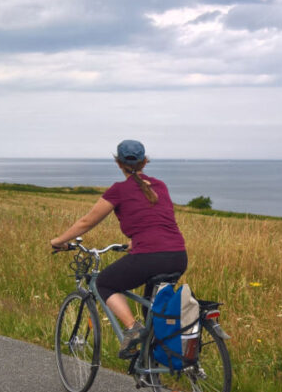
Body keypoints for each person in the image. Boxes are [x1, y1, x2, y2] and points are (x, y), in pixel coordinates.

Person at [50, 139, 187, 357]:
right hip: (178, 255)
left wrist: (58, 240)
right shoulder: (160, 185)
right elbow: (158, 219)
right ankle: (157, 363)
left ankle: (133, 329)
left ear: (118, 163)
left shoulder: (119, 190)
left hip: (150, 256)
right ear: (144, 162)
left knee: (104, 283)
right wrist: (136, 240)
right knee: (152, 308)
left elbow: (86, 222)